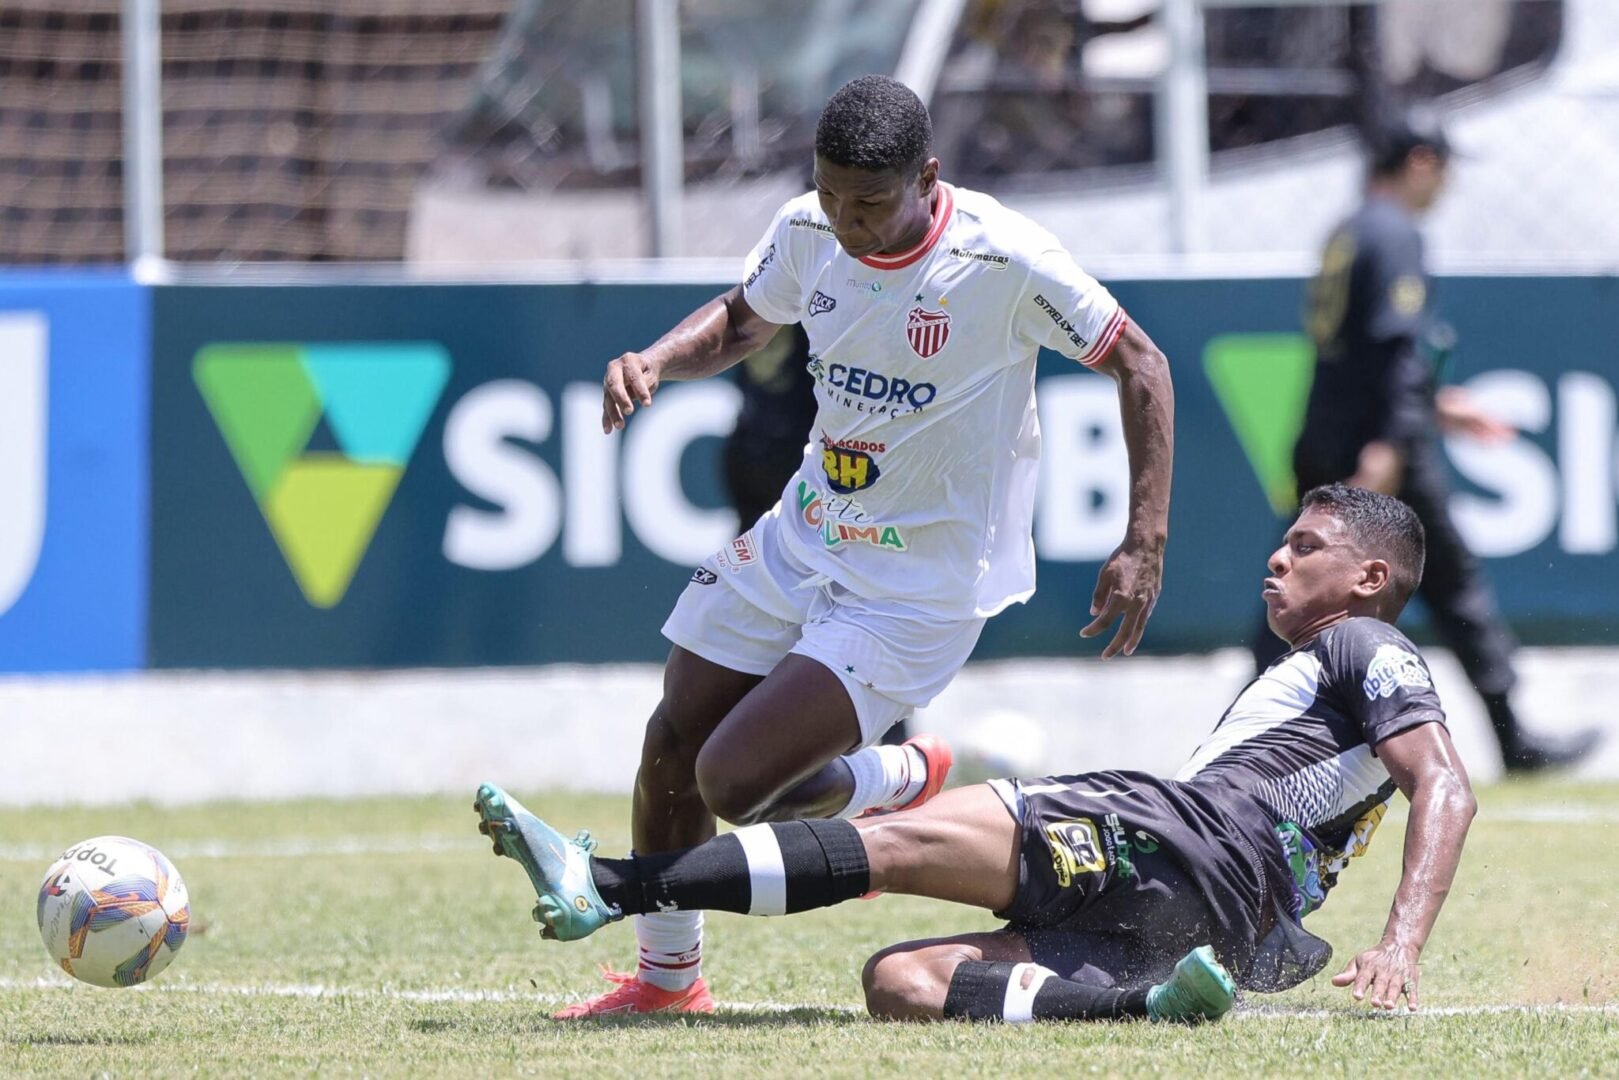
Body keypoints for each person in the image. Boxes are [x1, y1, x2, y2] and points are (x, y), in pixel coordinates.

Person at [563, 74, 1175, 1017]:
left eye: (871, 203)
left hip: (918, 587)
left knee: (734, 781)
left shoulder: (1004, 258)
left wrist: (1143, 537)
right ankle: (666, 982)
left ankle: (888, 776)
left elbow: (1141, 362)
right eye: (832, 195)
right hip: (806, 532)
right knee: (671, 737)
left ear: (929, 178)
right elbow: (744, 316)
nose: (847, 222)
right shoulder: (807, 227)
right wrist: (656, 359)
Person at [477, 484, 1475, 1023]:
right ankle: (1144, 1004)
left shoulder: (1362, 643)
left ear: (1367, 576)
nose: (1276, 555)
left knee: (896, 843)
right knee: (899, 983)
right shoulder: (1328, 674)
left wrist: (1399, 944)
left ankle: (609, 883)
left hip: (1184, 841)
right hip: (1203, 923)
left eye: (1304, 546)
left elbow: (1444, 785)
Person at [1251, 107, 1599, 773]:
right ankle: (1513, 738)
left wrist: (1439, 406)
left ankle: (1243, 733)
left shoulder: (1348, 232)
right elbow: (1393, 350)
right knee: (1450, 583)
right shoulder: (1394, 235)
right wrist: (1388, 445)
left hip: (1326, 434)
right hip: (1378, 450)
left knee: (1303, 585)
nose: (1445, 186)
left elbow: (1359, 355)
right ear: (1418, 163)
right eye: (1442, 170)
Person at [721, 325, 910, 749]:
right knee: (758, 620)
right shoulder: (781, 285)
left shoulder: (839, 296)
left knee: (851, 618)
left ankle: (887, 753)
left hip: (821, 488)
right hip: (762, 475)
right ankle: (760, 747)